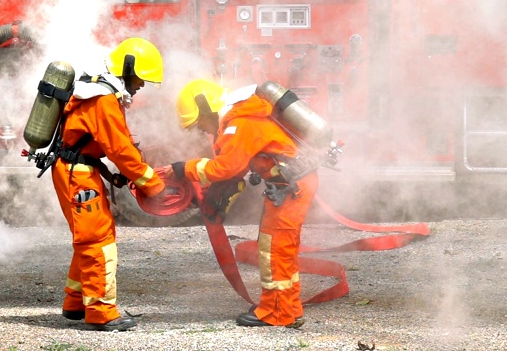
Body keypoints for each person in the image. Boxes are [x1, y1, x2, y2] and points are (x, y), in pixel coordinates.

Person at [165, 79, 318, 328]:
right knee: (282, 248)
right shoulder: (243, 115)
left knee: (274, 250)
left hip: (290, 187)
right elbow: (235, 164)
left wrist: (186, 168)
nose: (202, 129)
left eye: (199, 123)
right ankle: (289, 307)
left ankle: (276, 313)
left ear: (206, 108)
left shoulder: (241, 121)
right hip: (290, 185)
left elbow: (227, 167)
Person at [51, 37, 167, 331]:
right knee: (97, 240)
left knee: (87, 237)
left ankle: (76, 302)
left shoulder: (101, 92)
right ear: (128, 69)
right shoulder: (103, 99)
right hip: (77, 175)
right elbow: (120, 149)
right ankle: (101, 313)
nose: (141, 86)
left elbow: (94, 145)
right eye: (141, 79)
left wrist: (108, 173)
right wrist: (153, 184)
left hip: (78, 170)